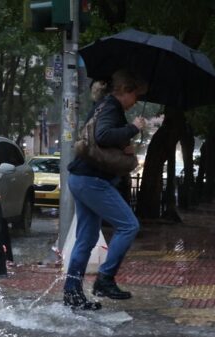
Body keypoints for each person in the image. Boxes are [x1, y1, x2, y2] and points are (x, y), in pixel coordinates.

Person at [63, 69, 147, 310]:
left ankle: (72, 293)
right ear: (125, 91)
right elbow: (103, 135)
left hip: (82, 178)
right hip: (92, 180)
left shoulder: (103, 105)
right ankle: (105, 279)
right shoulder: (111, 106)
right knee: (129, 225)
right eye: (136, 95)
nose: (136, 101)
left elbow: (103, 139)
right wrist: (133, 128)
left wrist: (124, 147)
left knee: (86, 239)